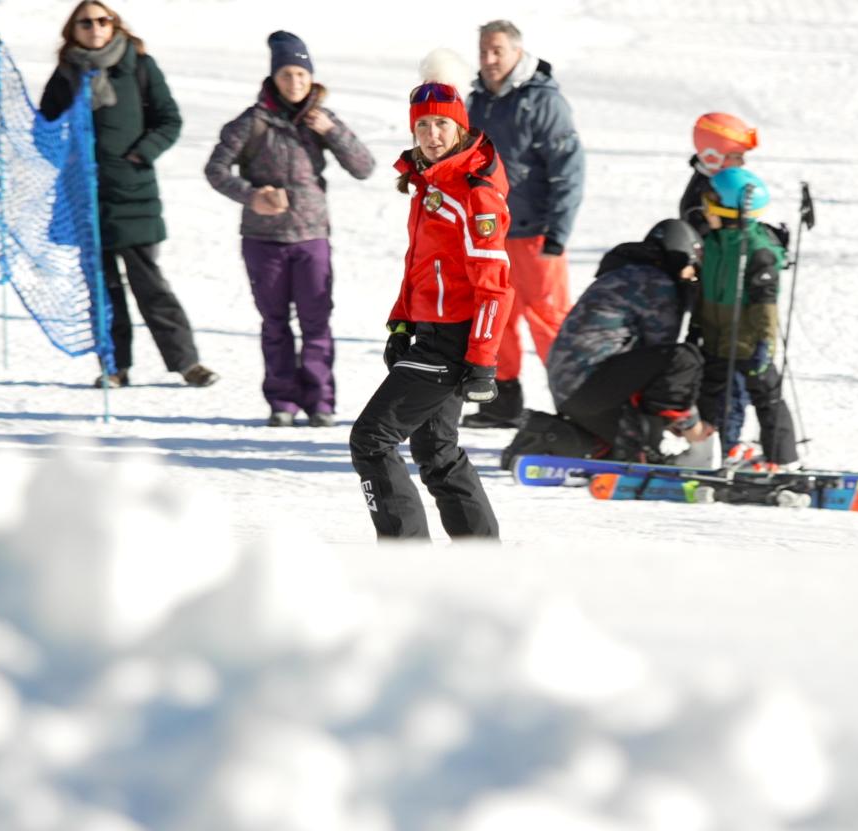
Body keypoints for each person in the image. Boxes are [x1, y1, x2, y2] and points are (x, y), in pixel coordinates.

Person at [348, 49, 512, 541]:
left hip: (454, 340)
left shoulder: (473, 192)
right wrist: (403, 322)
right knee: (436, 452)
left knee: (371, 441)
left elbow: (494, 285)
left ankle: (405, 558)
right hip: (430, 333)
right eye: (423, 128)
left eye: (442, 126)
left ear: (459, 128)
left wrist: (482, 359)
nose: (432, 136)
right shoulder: (430, 184)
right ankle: (480, 560)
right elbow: (421, 264)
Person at [39, 0, 217, 389]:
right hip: (85, 198)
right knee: (103, 289)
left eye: (103, 20)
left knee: (150, 286)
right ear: (74, 30)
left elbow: (169, 119)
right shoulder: (67, 72)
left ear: (114, 24)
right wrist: (68, 153)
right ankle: (115, 368)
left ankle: (188, 364)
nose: (95, 27)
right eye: (86, 23)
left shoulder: (138, 65)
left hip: (133, 192)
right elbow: (44, 131)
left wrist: (141, 155)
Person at [205, 31, 375, 427]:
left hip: (312, 237)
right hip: (263, 239)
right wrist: (252, 195)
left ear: (311, 77)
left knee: (317, 322)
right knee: (275, 323)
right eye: (286, 75)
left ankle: (321, 402)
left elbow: (364, 167)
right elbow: (215, 170)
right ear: (273, 78)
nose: (294, 82)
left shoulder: (321, 120)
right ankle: (282, 401)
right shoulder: (252, 122)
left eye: (301, 73)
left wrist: (331, 130)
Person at [461, 19, 586, 428]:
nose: (489, 59)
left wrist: (558, 232)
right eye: (483, 51)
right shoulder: (477, 99)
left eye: (497, 50)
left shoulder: (542, 100)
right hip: (490, 232)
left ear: (517, 52)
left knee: (548, 320)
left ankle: (577, 407)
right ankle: (503, 402)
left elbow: (569, 169)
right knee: (495, 317)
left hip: (536, 232)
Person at [541, 219, 714, 461]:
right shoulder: (657, 283)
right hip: (590, 386)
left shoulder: (625, 274)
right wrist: (690, 423)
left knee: (637, 449)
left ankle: (632, 446)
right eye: (692, 267)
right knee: (685, 358)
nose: (692, 276)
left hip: (571, 391)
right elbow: (664, 361)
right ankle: (648, 440)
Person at [694, 167, 798, 470]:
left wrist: (765, 344)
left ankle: (782, 458)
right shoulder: (714, 242)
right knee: (716, 396)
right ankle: (722, 452)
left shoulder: (757, 251)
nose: (704, 209)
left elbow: (765, 306)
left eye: (709, 203)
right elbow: (705, 291)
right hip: (715, 336)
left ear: (728, 210)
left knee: (765, 395)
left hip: (748, 340)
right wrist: (697, 327)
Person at [679, 112, 758, 446]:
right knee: (724, 369)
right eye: (736, 158)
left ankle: (725, 434)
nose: (742, 165)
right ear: (712, 158)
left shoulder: (725, 185)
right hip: (715, 300)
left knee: (732, 366)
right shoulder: (703, 198)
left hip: (725, 296)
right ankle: (723, 437)